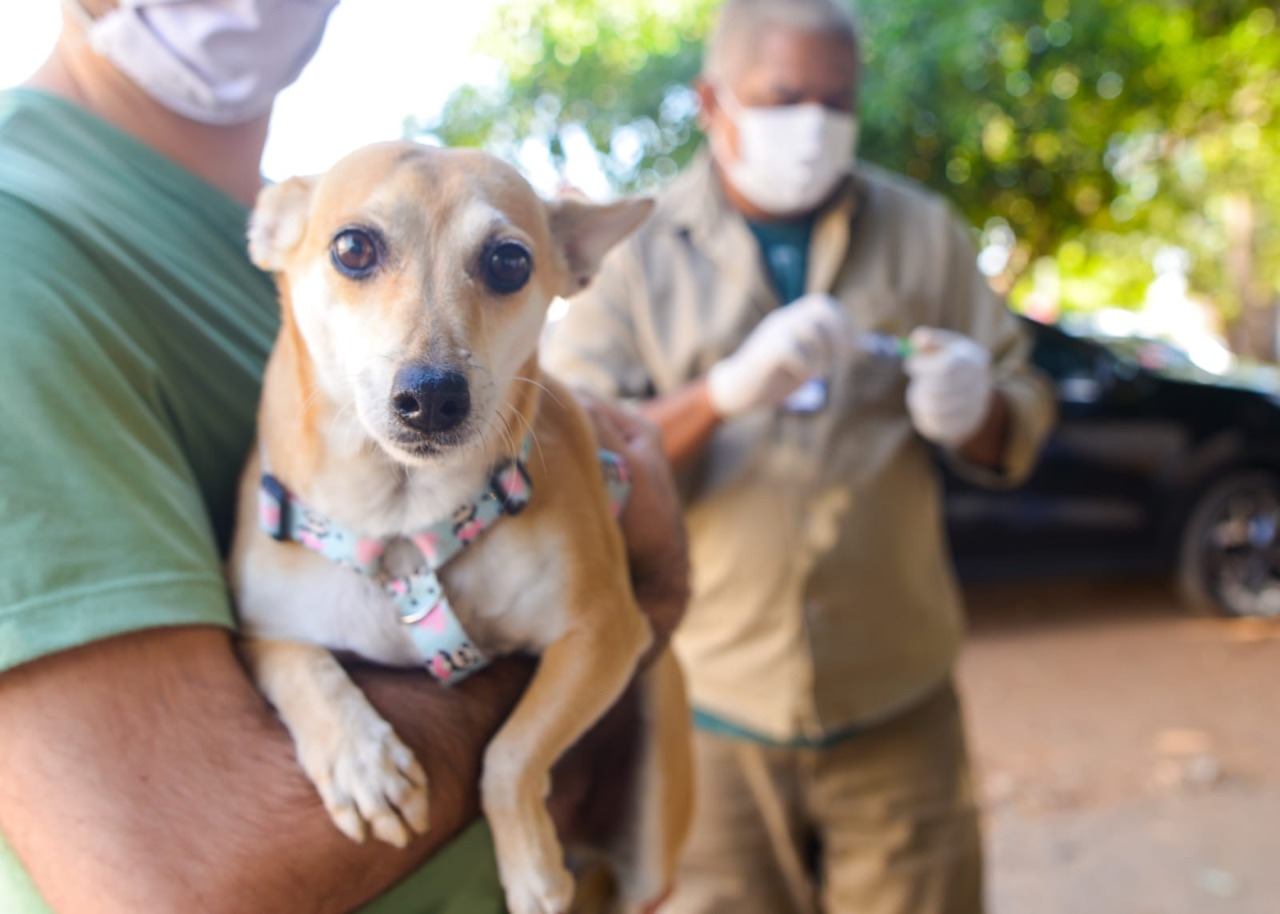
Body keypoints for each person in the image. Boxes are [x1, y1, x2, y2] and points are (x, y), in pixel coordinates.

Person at [0, 1, 689, 912]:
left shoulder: (242, 227)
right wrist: (647, 585)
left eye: (506, 267)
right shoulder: (25, 247)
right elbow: (167, 885)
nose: (431, 367)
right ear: (283, 240)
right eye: (362, 253)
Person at [542, 1, 1057, 912]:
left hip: (896, 703)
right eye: (783, 97)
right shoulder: (633, 253)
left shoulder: (922, 232)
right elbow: (572, 454)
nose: (813, 126)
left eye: (837, 100)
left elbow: (1024, 408)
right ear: (713, 102)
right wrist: (721, 394)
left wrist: (977, 408)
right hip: (707, 708)